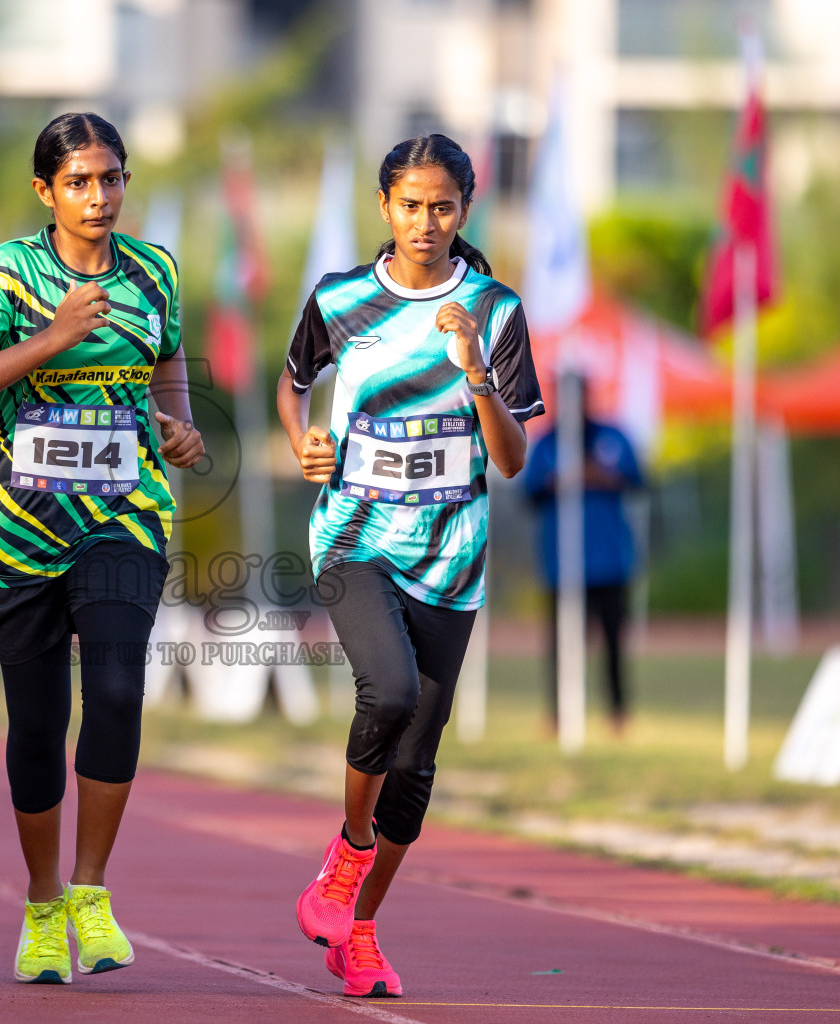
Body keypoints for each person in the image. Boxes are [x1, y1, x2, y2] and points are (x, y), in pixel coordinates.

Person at [0, 112, 203, 986]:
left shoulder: (154, 271)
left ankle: (91, 888)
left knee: (117, 692)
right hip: (18, 532)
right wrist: (51, 337)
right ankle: (43, 904)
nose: (100, 196)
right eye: (80, 181)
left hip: (124, 516)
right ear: (45, 191)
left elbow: (167, 359)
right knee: (38, 725)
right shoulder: (3, 276)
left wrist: (180, 424)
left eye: (112, 178)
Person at [276, 134, 542, 998]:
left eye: (444, 207)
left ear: (466, 211)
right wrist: (303, 442)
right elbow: (293, 383)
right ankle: (346, 858)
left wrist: (474, 372)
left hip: (452, 557)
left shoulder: (495, 310)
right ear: (384, 207)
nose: (426, 222)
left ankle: (358, 931)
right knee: (385, 693)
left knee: (417, 765)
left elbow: (511, 460)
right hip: (354, 536)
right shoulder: (342, 298)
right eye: (410, 205)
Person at [523, 394, 644, 736]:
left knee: (614, 643)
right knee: (560, 645)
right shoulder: (546, 442)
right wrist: (561, 482)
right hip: (562, 563)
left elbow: (638, 480)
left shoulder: (613, 437)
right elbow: (529, 492)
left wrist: (600, 477)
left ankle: (618, 714)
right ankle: (557, 715)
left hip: (609, 561)